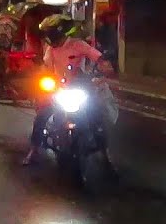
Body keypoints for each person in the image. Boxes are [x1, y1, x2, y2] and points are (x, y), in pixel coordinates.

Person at [21, 15, 112, 166]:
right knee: (41, 117)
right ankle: (34, 150)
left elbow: (97, 57)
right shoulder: (51, 50)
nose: (48, 38)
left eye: (49, 34)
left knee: (97, 116)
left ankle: (105, 153)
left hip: (81, 88)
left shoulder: (78, 45)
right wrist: (43, 78)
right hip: (59, 90)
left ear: (58, 32)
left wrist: (104, 65)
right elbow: (46, 67)